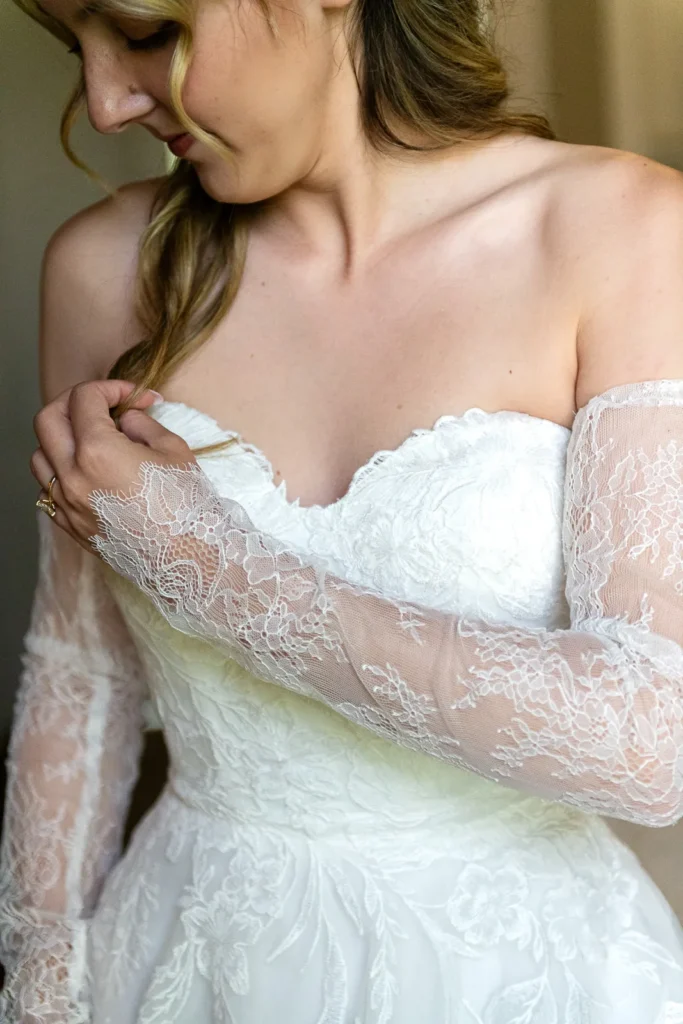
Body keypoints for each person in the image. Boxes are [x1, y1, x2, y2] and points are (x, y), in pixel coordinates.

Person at [2, 0, 683, 1020]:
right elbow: (79, 672)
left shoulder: (617, 232)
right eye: (76, 48)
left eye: (142, 30)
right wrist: (42, 979)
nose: (104, 103)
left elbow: (649, 742)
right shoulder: (101, 272)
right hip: (186, 958)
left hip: (523, 978)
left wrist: (209, 569)